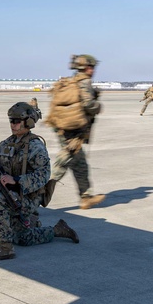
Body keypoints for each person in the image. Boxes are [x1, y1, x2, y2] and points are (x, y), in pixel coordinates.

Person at [0, 102, 78, 261]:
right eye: (11, 121)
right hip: (12, 192)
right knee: (16, 236)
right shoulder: (9, 143)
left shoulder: (35, 146)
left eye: (16, 121)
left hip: (29, 196)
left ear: (28, 122)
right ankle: (57, 230)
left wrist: (16, 180)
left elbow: (43, 175)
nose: (13, 124)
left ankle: (5, 249)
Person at [47, 54, 106, 210]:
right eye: (91, 67)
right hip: (74, 131)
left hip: (63, 127)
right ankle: (41, 190)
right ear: (86, 68)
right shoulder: (84, 82)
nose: (93, 70)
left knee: (80, 164)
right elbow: (88, 104)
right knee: (65, 159)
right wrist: (98, 106)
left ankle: (86, 197)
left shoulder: (71, 81)